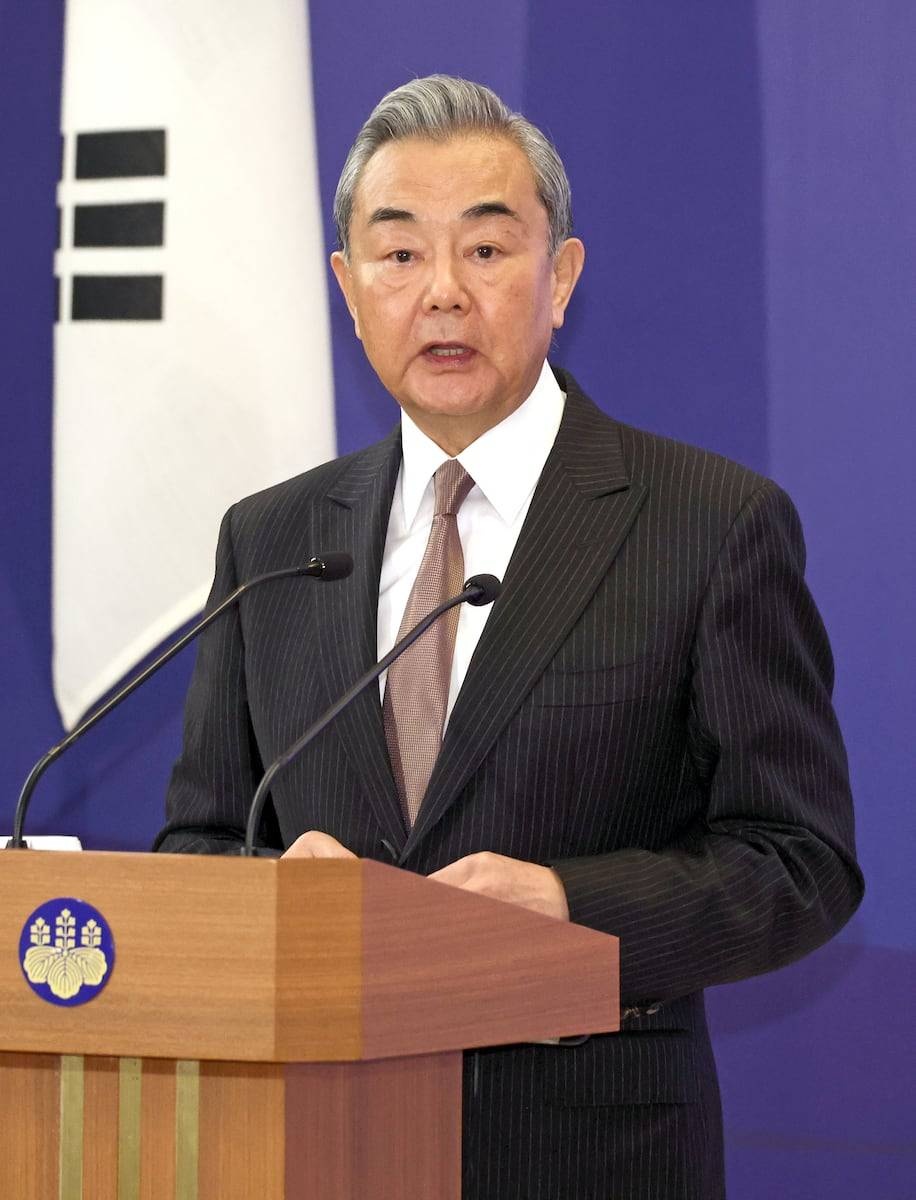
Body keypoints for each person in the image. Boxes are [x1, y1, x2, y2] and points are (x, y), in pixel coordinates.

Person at [156, 76, 863, 1199]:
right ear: (348, 289)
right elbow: (196, 845)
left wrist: (572, 908)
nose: (442, 292)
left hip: (586, 1156)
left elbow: (799, 862)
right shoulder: (275, 539)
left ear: (561, 275)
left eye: (486, 250)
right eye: (399, 255)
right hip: (314, 1147)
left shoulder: (706, 524)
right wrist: (277, 898)